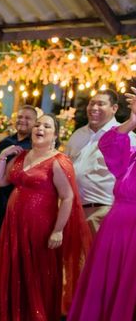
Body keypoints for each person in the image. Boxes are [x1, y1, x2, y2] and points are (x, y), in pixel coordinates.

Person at [0, 114, 92, 320]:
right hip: (13, 225)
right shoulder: (21, 156)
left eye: (46, 126)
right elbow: (0, 180)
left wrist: (58, 230)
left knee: (35, 273)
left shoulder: (59, 161)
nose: (40, 128)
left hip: (40, 227)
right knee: (14, 270)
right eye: (38, 125)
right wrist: (3, 156)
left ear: (55, 135)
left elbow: (67, 197)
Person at [68, 87, 136, 320]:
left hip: (129, 232)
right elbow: (108, 143)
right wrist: (132, 120)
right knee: (99, 283)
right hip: (113, 230)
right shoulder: (130, 155)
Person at [0, 105, 36, 284]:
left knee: (16, 239)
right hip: (2, 197)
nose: (22, 121)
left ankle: (11, 278)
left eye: (27, 118)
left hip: (21, 200)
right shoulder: (6, 142)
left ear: (34, 123)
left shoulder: (34, 146)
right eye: (20, 117)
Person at [65, 89, 136, 235]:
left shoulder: (125, 136)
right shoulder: (78, 134)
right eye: (92, 103)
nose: (94, 108)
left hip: (103, 210)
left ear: (114, 108)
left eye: (100, 104)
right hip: (73, 209)